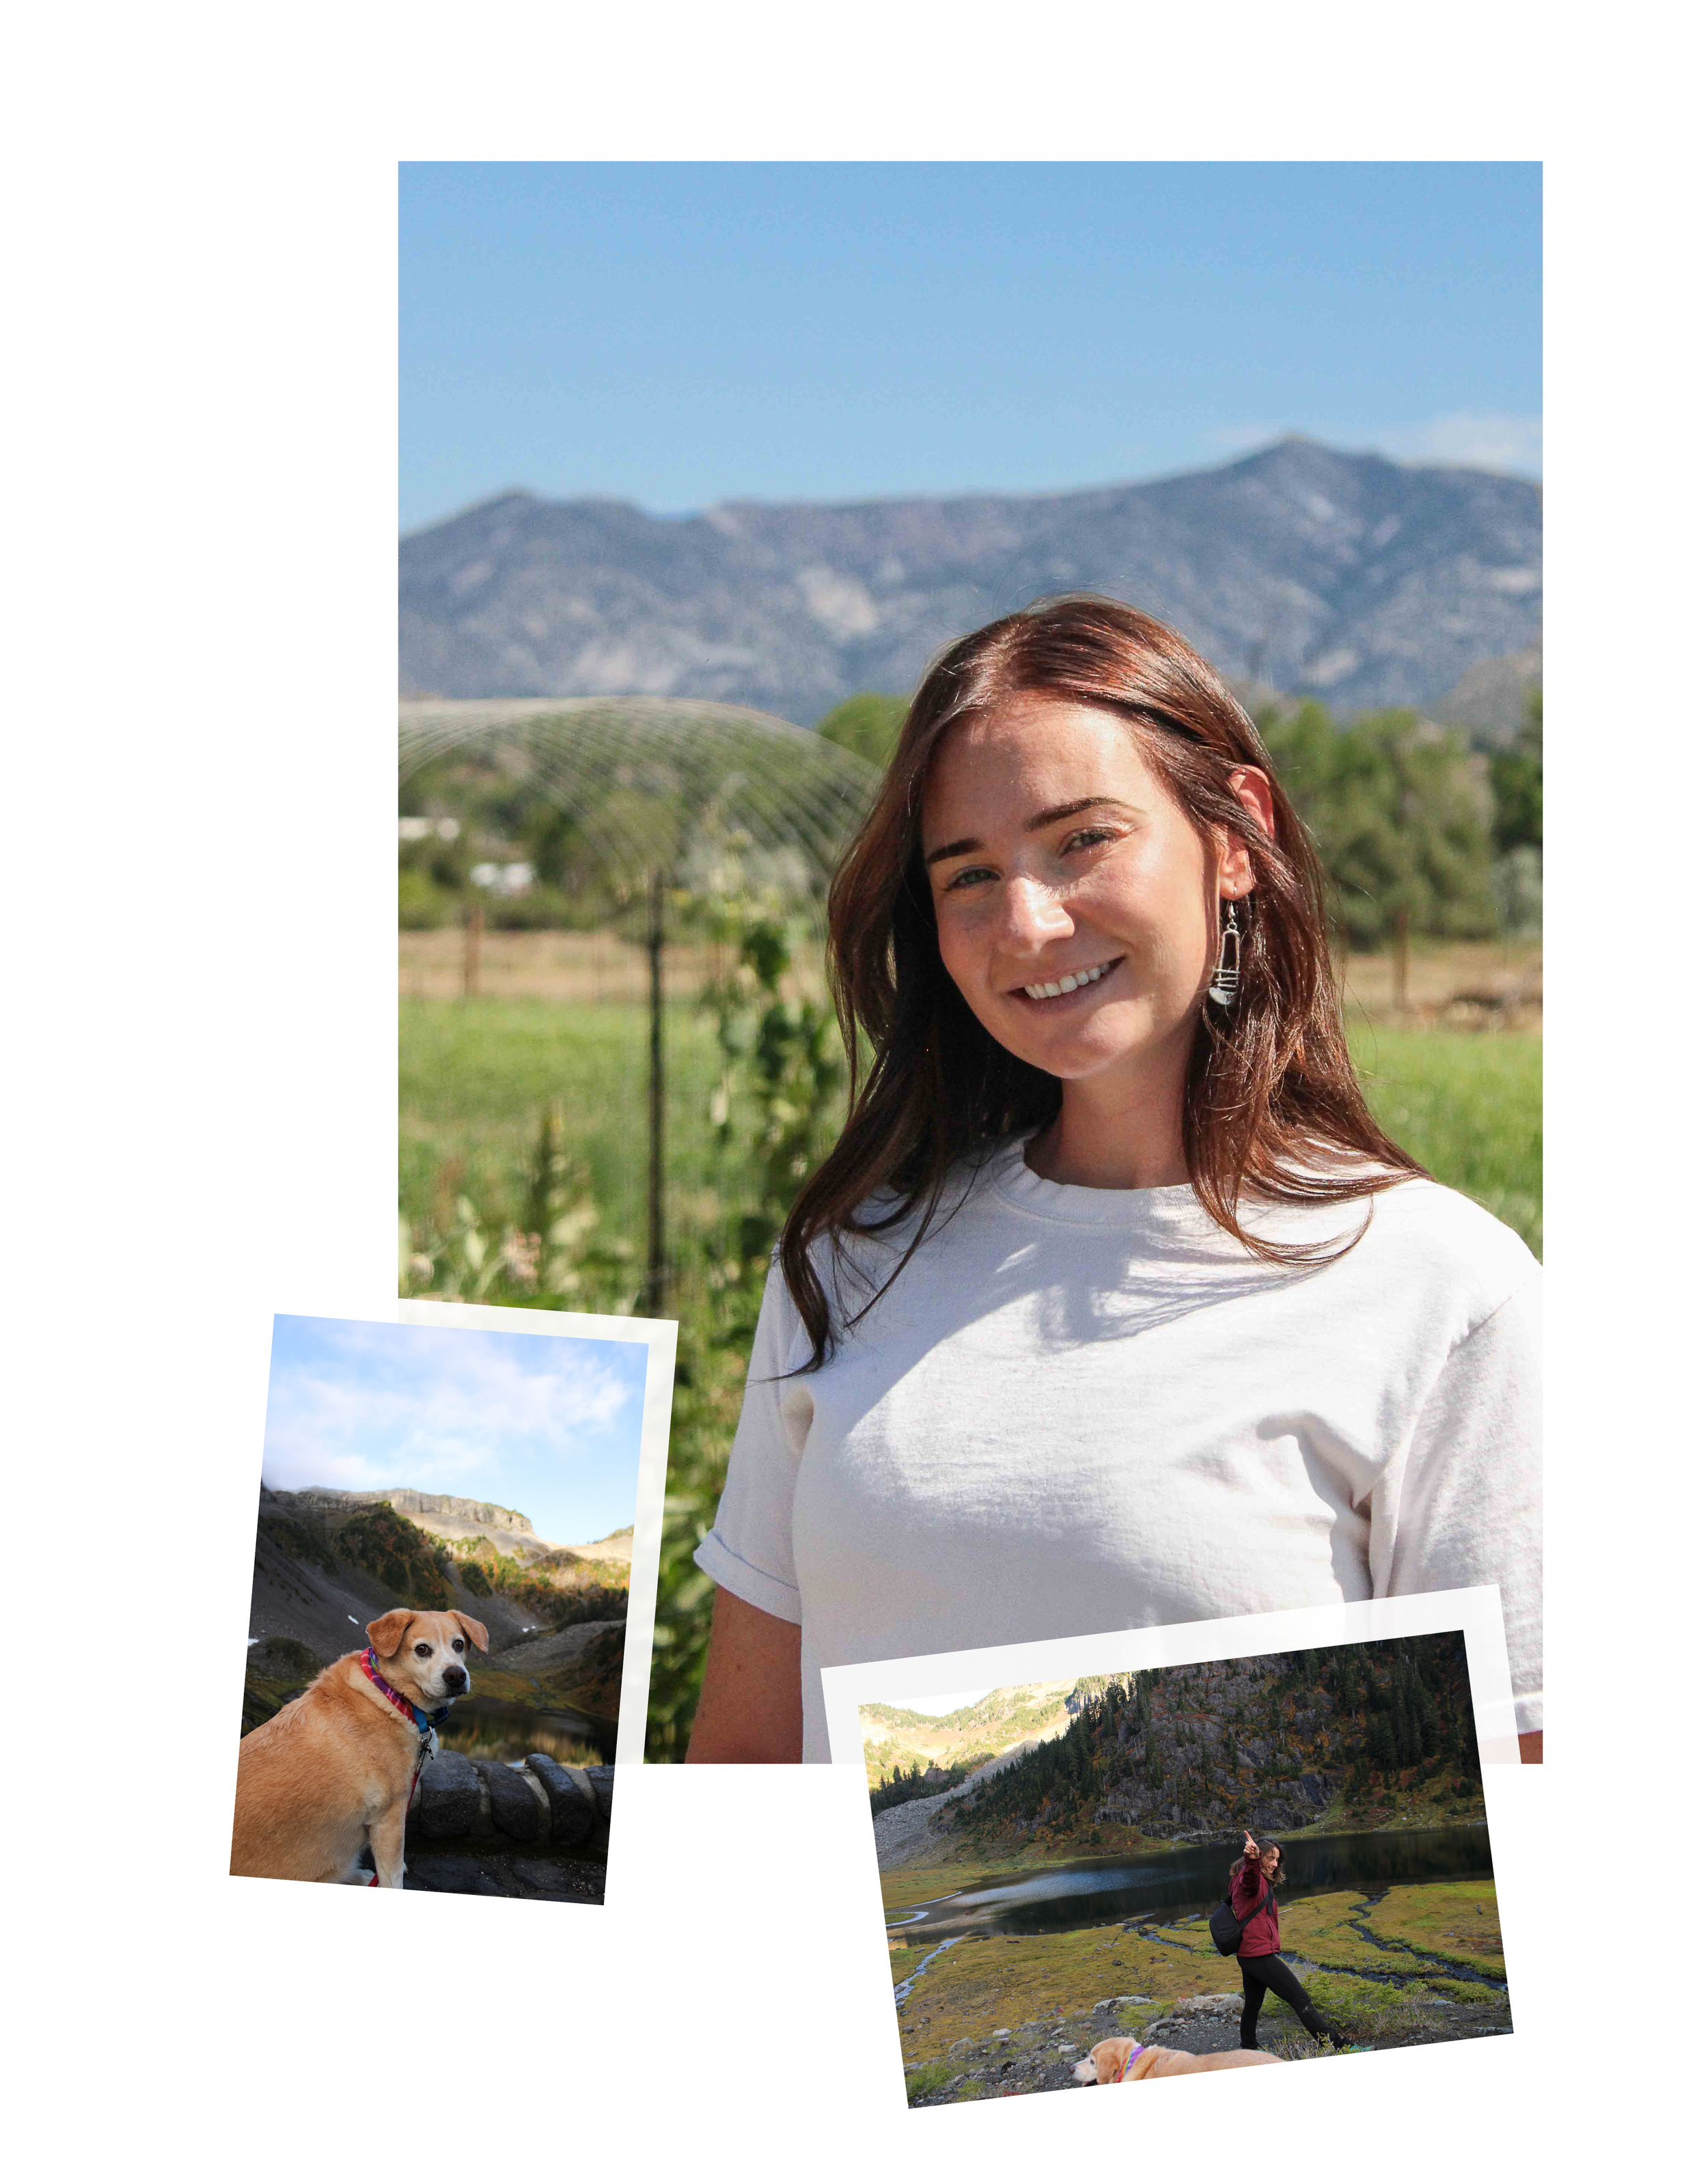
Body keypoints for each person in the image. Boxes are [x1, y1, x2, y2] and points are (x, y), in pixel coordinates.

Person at [686, 596, 1541, 1764]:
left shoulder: (1440, 1293)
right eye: (968, 874)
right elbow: (744, 1771)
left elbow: (1530, 1822)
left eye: (1083, 838)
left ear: (1237, 836)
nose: (1027, 922)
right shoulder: (851, 1259)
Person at [1228, 1829, 1349, 2051]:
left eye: (1277, 1859)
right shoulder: (1250, 1879)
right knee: (1301, 2000)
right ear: (1260, 1857)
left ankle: (1248, 2049)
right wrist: (1252, 1859)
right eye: (1271, 1858)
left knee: (1253, 2006)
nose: (1275, 1864)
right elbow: (1250, 1880)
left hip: (1248, 1954)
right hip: (1259, 1955)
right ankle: (1340, 2047)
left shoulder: (1247, 1880)